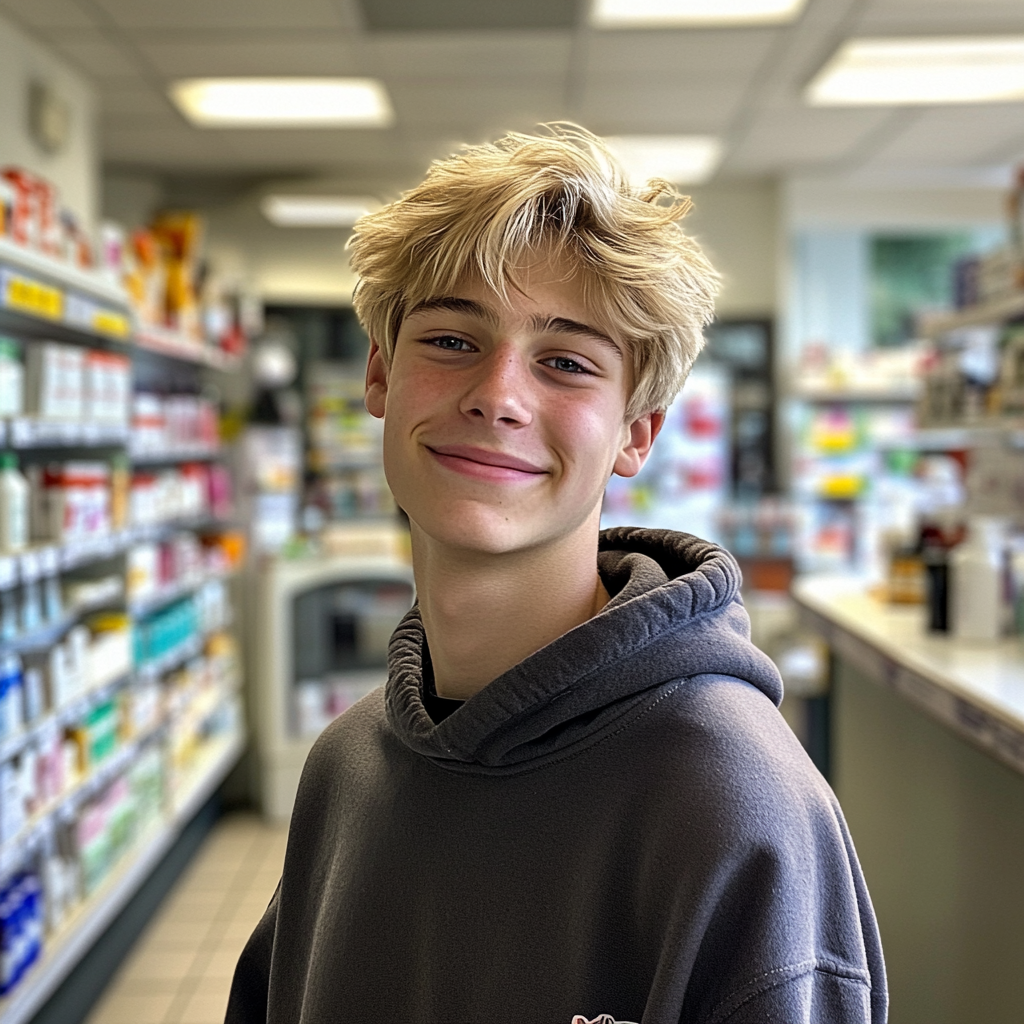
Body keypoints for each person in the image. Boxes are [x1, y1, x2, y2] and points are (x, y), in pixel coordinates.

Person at [225, 124, 886, 1024]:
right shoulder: (345, 769)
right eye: (452, 340)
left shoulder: (733, 809)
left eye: (567, 362)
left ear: (635, 434)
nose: (498, 394)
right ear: (380, 376)